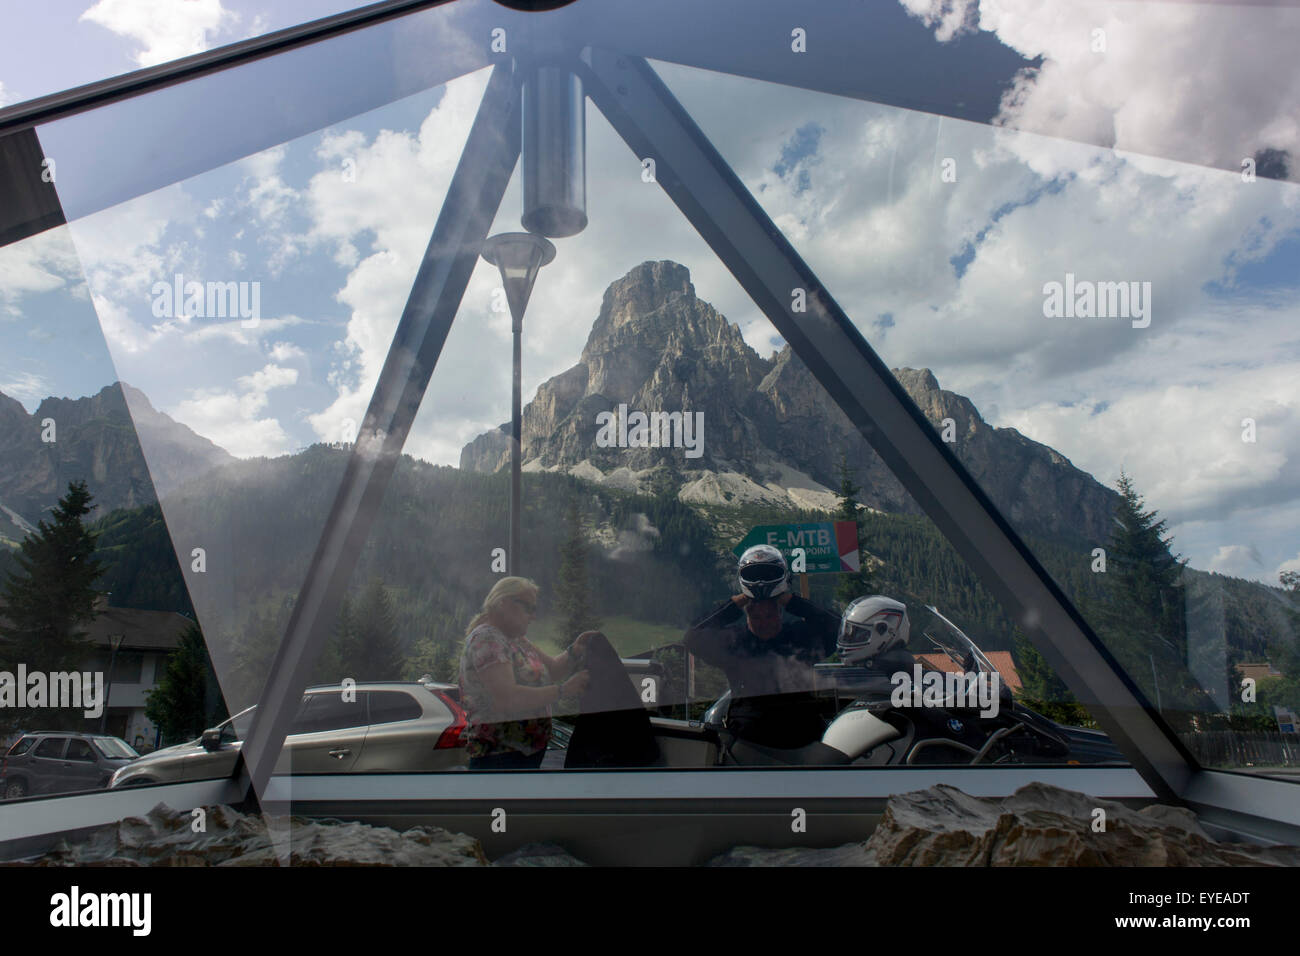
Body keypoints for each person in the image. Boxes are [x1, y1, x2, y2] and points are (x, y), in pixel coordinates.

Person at [684, 545, 839, 748]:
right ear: (746, 617)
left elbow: (839, 627)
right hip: (748, 742)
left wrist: (790, 600)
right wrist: (736, 602)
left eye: (769, 615)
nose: (763, 622)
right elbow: (692, 637)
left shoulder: (800, 638)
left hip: (801, 738)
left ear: (780, 614)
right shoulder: (735, 642)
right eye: (755, 616)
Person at [458, 577, 591, 770]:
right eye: (528, 608)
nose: (533, 616)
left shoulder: (516, 639)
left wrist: (574, 651)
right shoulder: (487, 639)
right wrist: (563, 691)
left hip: (523, 752)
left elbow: (552, 670)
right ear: (503, 603)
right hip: (500, 755)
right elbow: (507, 698)